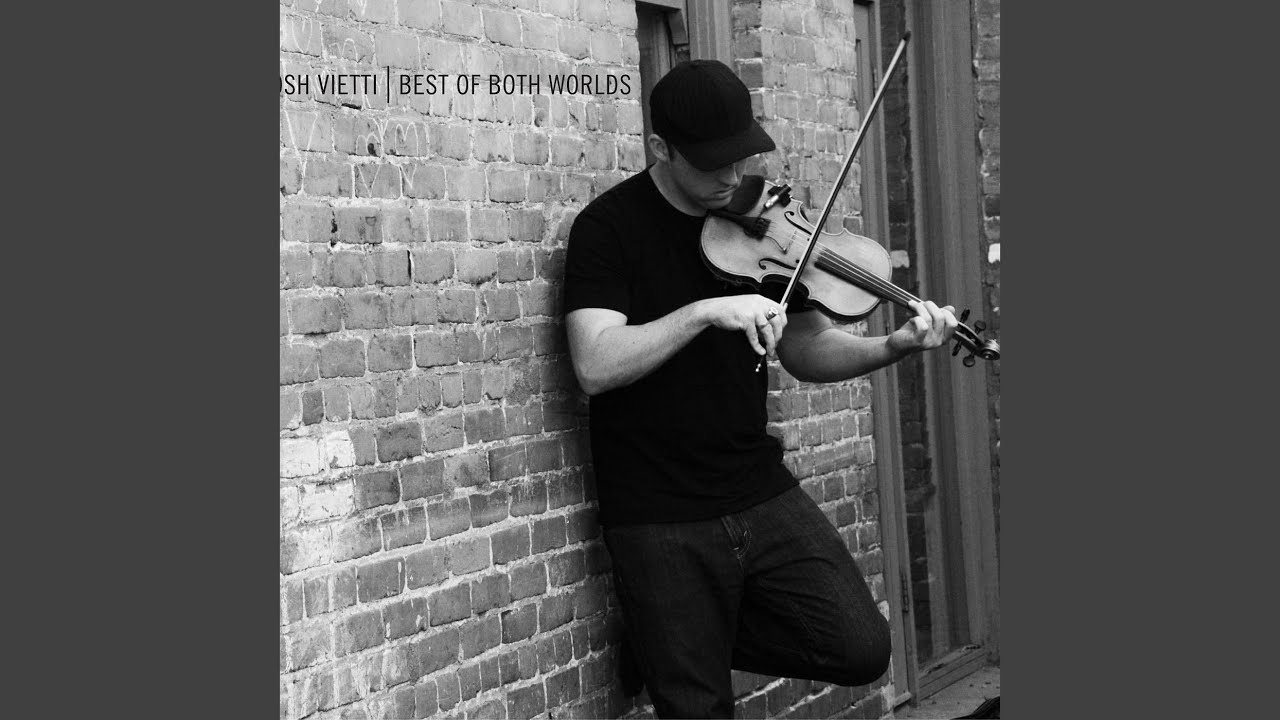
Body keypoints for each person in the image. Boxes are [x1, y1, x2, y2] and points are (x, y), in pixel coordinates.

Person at [562, 59, 958, 719]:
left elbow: (806, 348)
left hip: (754, 484)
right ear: (661, 148)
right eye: (712, 163)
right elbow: (595, 364)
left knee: (859, 646)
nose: (732, 176)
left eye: (741, 157)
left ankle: (665, 638)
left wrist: (893, 346)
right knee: (698, 708)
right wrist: (703, 312)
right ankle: (667, 638)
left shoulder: (765, 221)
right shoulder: (609, 228)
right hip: (657, 506)